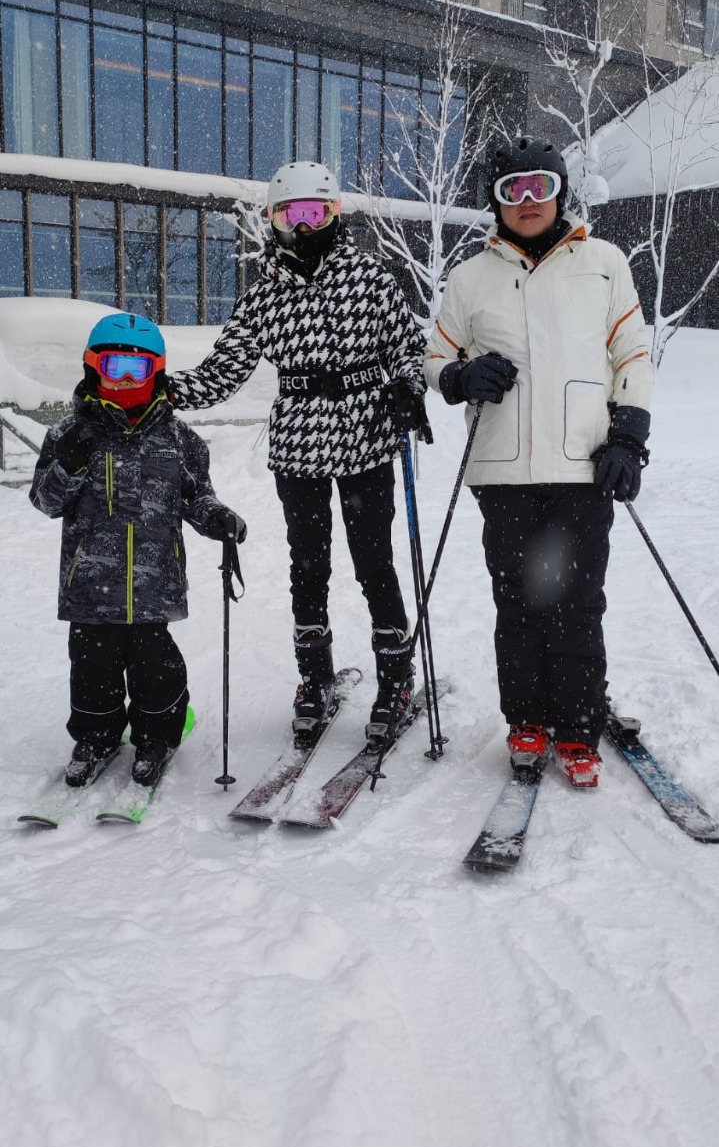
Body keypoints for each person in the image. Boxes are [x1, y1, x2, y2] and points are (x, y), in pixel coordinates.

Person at [167, 160, 430, 742]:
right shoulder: (265, 295)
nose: (305, 227)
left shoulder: (371, 278)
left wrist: (409, 386)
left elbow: (410, 347)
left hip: (366, 436)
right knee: (307, 566)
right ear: (274, 222)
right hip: (299, 444)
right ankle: (315, 678)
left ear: (335, 215)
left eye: (316, 213)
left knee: (374, 564)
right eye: (292, 215)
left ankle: (396, 677)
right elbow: (221, 373)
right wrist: (156, 388)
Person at [424, 135, 653, 788]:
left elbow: (631, 355)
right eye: (511, 189)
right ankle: (526, 719)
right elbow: (433, 361)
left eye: (539, 187)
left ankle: (578, 726)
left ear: (559, 194)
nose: (526, 201)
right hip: (502, 473)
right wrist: (463, 377)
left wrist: (628, 438)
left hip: (583, 467)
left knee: (576, 603)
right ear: (495, 201)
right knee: (518, 604)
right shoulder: (469, 278)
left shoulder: (603, 264)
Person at [30, 311, 246, 787]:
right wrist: (69, 465)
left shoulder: (179, 440)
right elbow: (45, 501)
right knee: (92, 668)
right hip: (89, 585)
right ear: (92, 369)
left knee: (156, 668)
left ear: (159, 374)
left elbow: (195, 497)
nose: (126, 380)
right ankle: (96, 735)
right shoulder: (69, 435)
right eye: (114, 368)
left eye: (139, 370)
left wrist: (217, 518)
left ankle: (157, 735)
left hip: (154, 583)